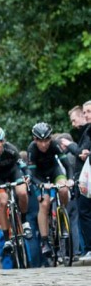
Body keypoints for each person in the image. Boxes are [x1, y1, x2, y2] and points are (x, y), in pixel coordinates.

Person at [0, 125, 31, 255]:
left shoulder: (11, 149)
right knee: (2, 202)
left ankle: (24, 222)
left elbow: (24, 167)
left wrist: (27, 176)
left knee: (22, 192)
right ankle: (7, 239)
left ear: (3, 142)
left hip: (13, 172)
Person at [27, 122, 73, 258]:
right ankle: (45, 241)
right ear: (35, 140)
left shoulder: (55, 144)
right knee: (44, 203)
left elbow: (67, 165)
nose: (44, 144)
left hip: (54, 171)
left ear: (50, 138)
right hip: (39, 176)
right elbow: (31, 175)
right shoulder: (31, 149)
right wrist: (41, 184)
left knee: (63, 189)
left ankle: (63, 215)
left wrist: (69, 180)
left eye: (47, 140)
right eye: (40, 141)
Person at [61, 104, 91, 259]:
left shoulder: (87, 132)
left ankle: (87, 249)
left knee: (84, 213)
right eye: (85, 112)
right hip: (83, 180)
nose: (86, 115)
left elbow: (81, 154)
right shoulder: (85, 132)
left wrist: (70, 145)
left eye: (88, 112)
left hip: (86, 180)